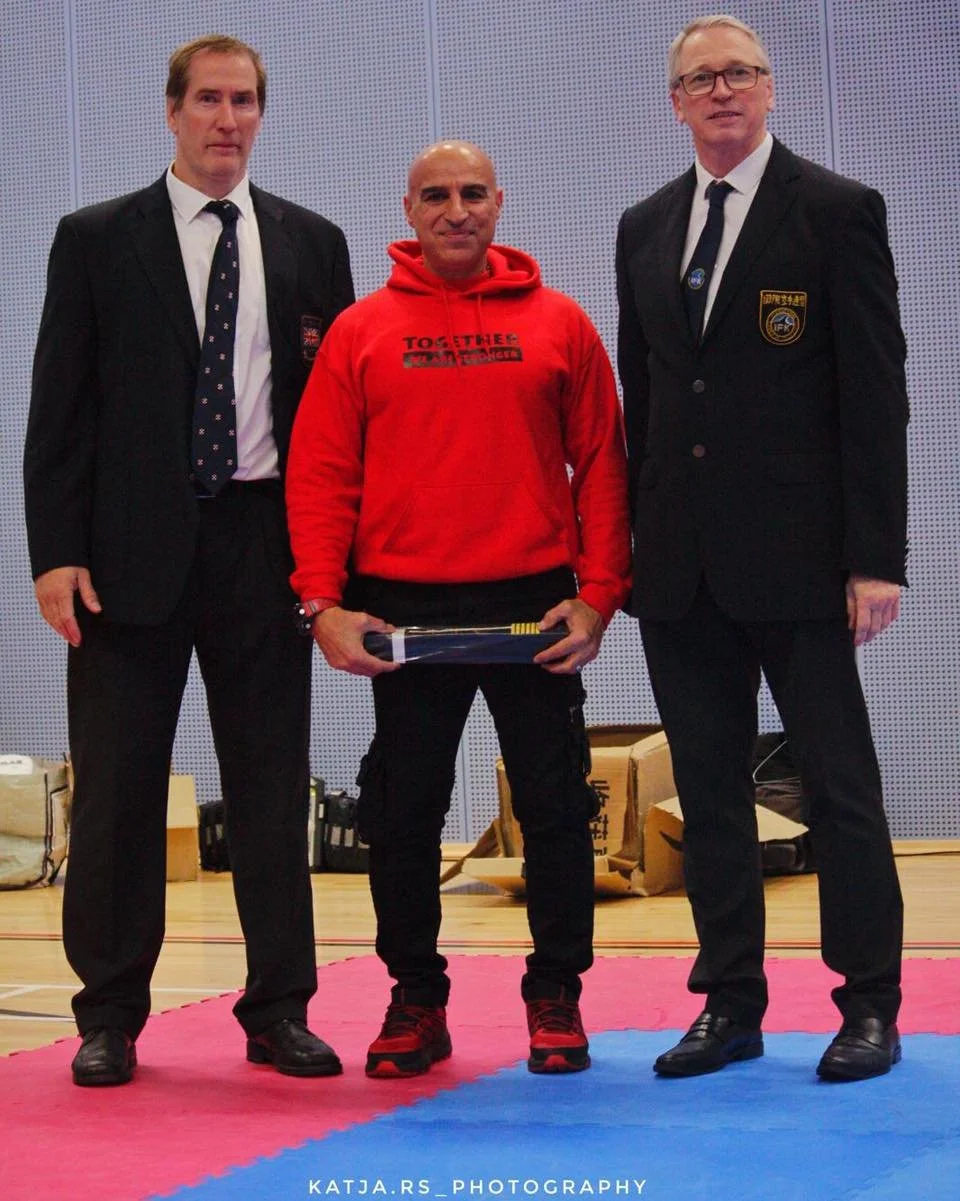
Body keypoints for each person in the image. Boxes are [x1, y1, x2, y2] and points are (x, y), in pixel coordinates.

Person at [24, 34, 355, 1086]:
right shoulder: (95, 239)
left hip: (265, 547)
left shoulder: (312, 243)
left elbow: (342, 423)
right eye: (208, 99)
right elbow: (58, 412)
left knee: (269, 787)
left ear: (263, 113)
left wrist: (336, 563)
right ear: (171, 112)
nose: (227, 118)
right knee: (119, 792)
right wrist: (54, 554)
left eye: (245, 100)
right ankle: (110, 1015)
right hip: (127, 556)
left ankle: (279, 1008)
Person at [286, 140, 631, 1078]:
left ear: (499, 204)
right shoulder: (361, 331)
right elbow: (321, 473)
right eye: (435, 195)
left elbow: (602, 463)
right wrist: (322, 601)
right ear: (408, 210)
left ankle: (555, 995)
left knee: (557, 808)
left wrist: (599, 596)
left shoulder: (561, 324)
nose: (455, 210)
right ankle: (415, 999)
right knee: (402, 815)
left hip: (533, 603)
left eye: (472, 193)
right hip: (401, 609)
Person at [616, 14, 908, 1082]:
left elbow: (876, 396)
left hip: (805, 560)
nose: (722, 91)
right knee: (707, 786)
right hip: (681, 568)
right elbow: (641, 405)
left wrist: (875, 557)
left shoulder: (835, 211)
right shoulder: (644, 226)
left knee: (838, 787)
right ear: (677, 102)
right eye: (701, 79)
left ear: (771, 89)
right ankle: (729, 999)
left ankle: (868, 1003)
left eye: (739, 73)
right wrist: (630, 554)